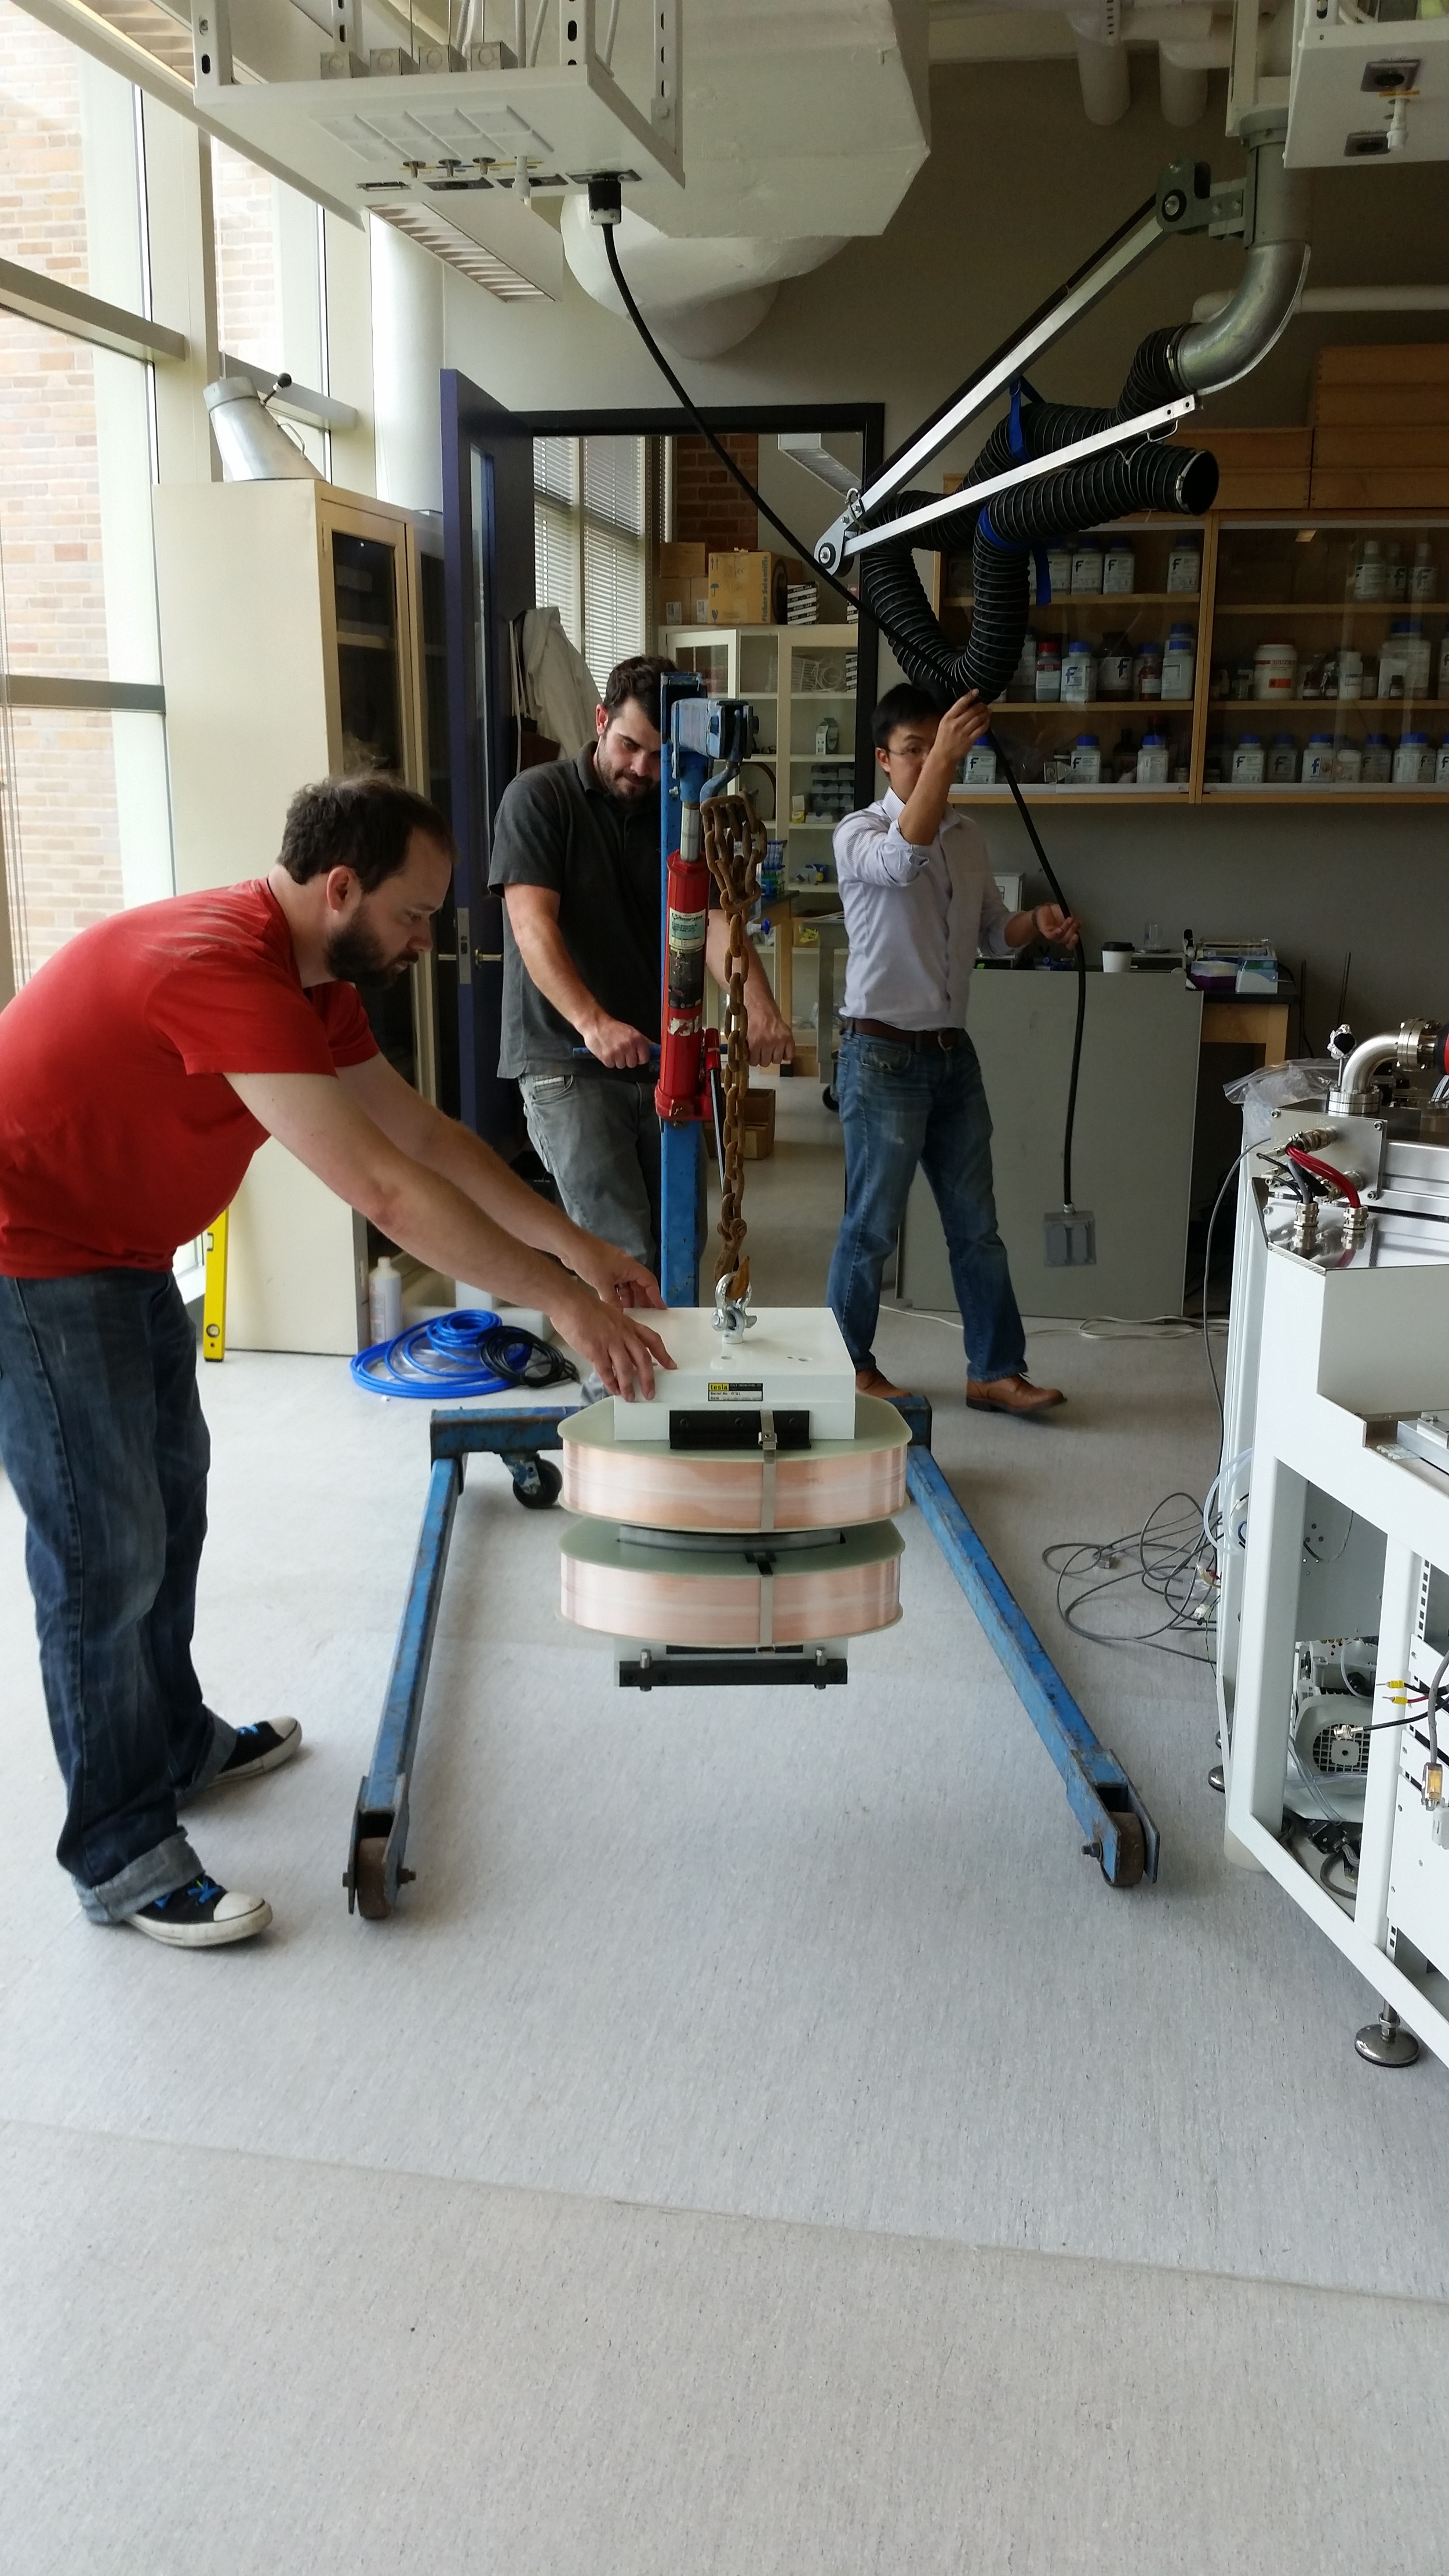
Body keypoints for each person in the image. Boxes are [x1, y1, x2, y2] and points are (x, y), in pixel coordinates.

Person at [0, 774, 673, 1952]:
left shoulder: (314, 983)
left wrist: (578, 1244)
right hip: (31, 1252)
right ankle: (117, 1846)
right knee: (104, 1546)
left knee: (172, 1499)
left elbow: (421, 1134)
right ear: (341, 886)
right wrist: (559, 1304)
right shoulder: (225, 964)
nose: (423, 940)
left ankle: (170, 1740)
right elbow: (382, 1189)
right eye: (415, 916)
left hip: (118, 1246)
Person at [489, 653, 793, 1269]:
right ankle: (617, 1370)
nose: (641, 768)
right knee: (622, 1255)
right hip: (567, 1058)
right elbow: (531, 923)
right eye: (629, 746)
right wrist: (592, 1022)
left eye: (658, 757)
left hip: (658, 1056)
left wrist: (758, 1007)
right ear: (600, 720)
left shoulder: (680, 811)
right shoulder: (539, 798)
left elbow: (710, 919)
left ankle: (661, 1366)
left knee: (680, 1242)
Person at [828, 684, 1078, 1417]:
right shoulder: (859, 834)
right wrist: (943, 758)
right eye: (915, 750)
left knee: (978, 1227)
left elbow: (994, 934)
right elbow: (904, 860)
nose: (934, 762)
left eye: (942, 748)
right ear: (885, 759)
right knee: (871, 1227)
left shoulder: (967, 836)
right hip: (881, 1058)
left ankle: (994, 1371)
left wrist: (1037, 922)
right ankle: (847, 1365)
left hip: (950, 1056)